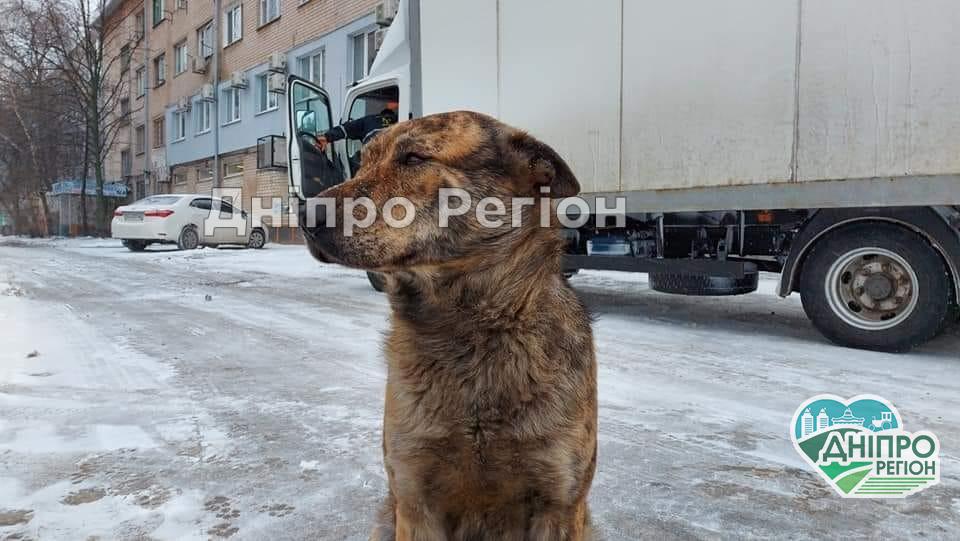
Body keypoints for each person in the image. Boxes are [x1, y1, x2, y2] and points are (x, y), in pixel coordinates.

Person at [314, 99, 399, 151]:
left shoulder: (369, 120)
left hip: (374, 164)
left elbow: (345, 129)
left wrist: (326, 137)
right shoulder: (403, 121)